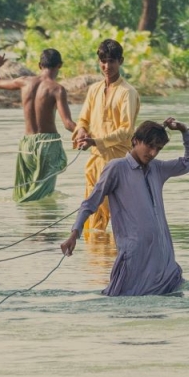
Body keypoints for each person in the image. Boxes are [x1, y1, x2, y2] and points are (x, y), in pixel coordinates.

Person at [59, 120, 189, 296]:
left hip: (163, 258)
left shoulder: (158, 168)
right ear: (135, 141)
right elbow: (90, 203)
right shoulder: (117, 168)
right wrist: (74, 233)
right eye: (150, 146)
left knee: (164, 311)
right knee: (124, 304)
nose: (153, 153)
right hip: (134, 258)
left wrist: (185, 130)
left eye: (158, 149)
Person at [72, 39, 140, 236]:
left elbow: (126, 130)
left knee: (119, 218)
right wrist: (83, 132)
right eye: (103, 61)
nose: (106, 66)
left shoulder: (128, 92)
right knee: (93, 218)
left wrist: (97, 140)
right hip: (95, 162)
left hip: (120, 164)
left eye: (111, 61)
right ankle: (97, 262)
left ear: (121, 61)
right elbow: (83, 119)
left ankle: (117, 261)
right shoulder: (94, 90)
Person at [0, 49, 76, 202]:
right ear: (59, 65)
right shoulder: (57, 89)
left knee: (25, 192)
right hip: (47, 145)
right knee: (42, 194)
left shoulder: (24, 81)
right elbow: (68, 124)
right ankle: (44, 223)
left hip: (26, 145)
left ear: (39, 65)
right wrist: (87, 134)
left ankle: (29, 224)